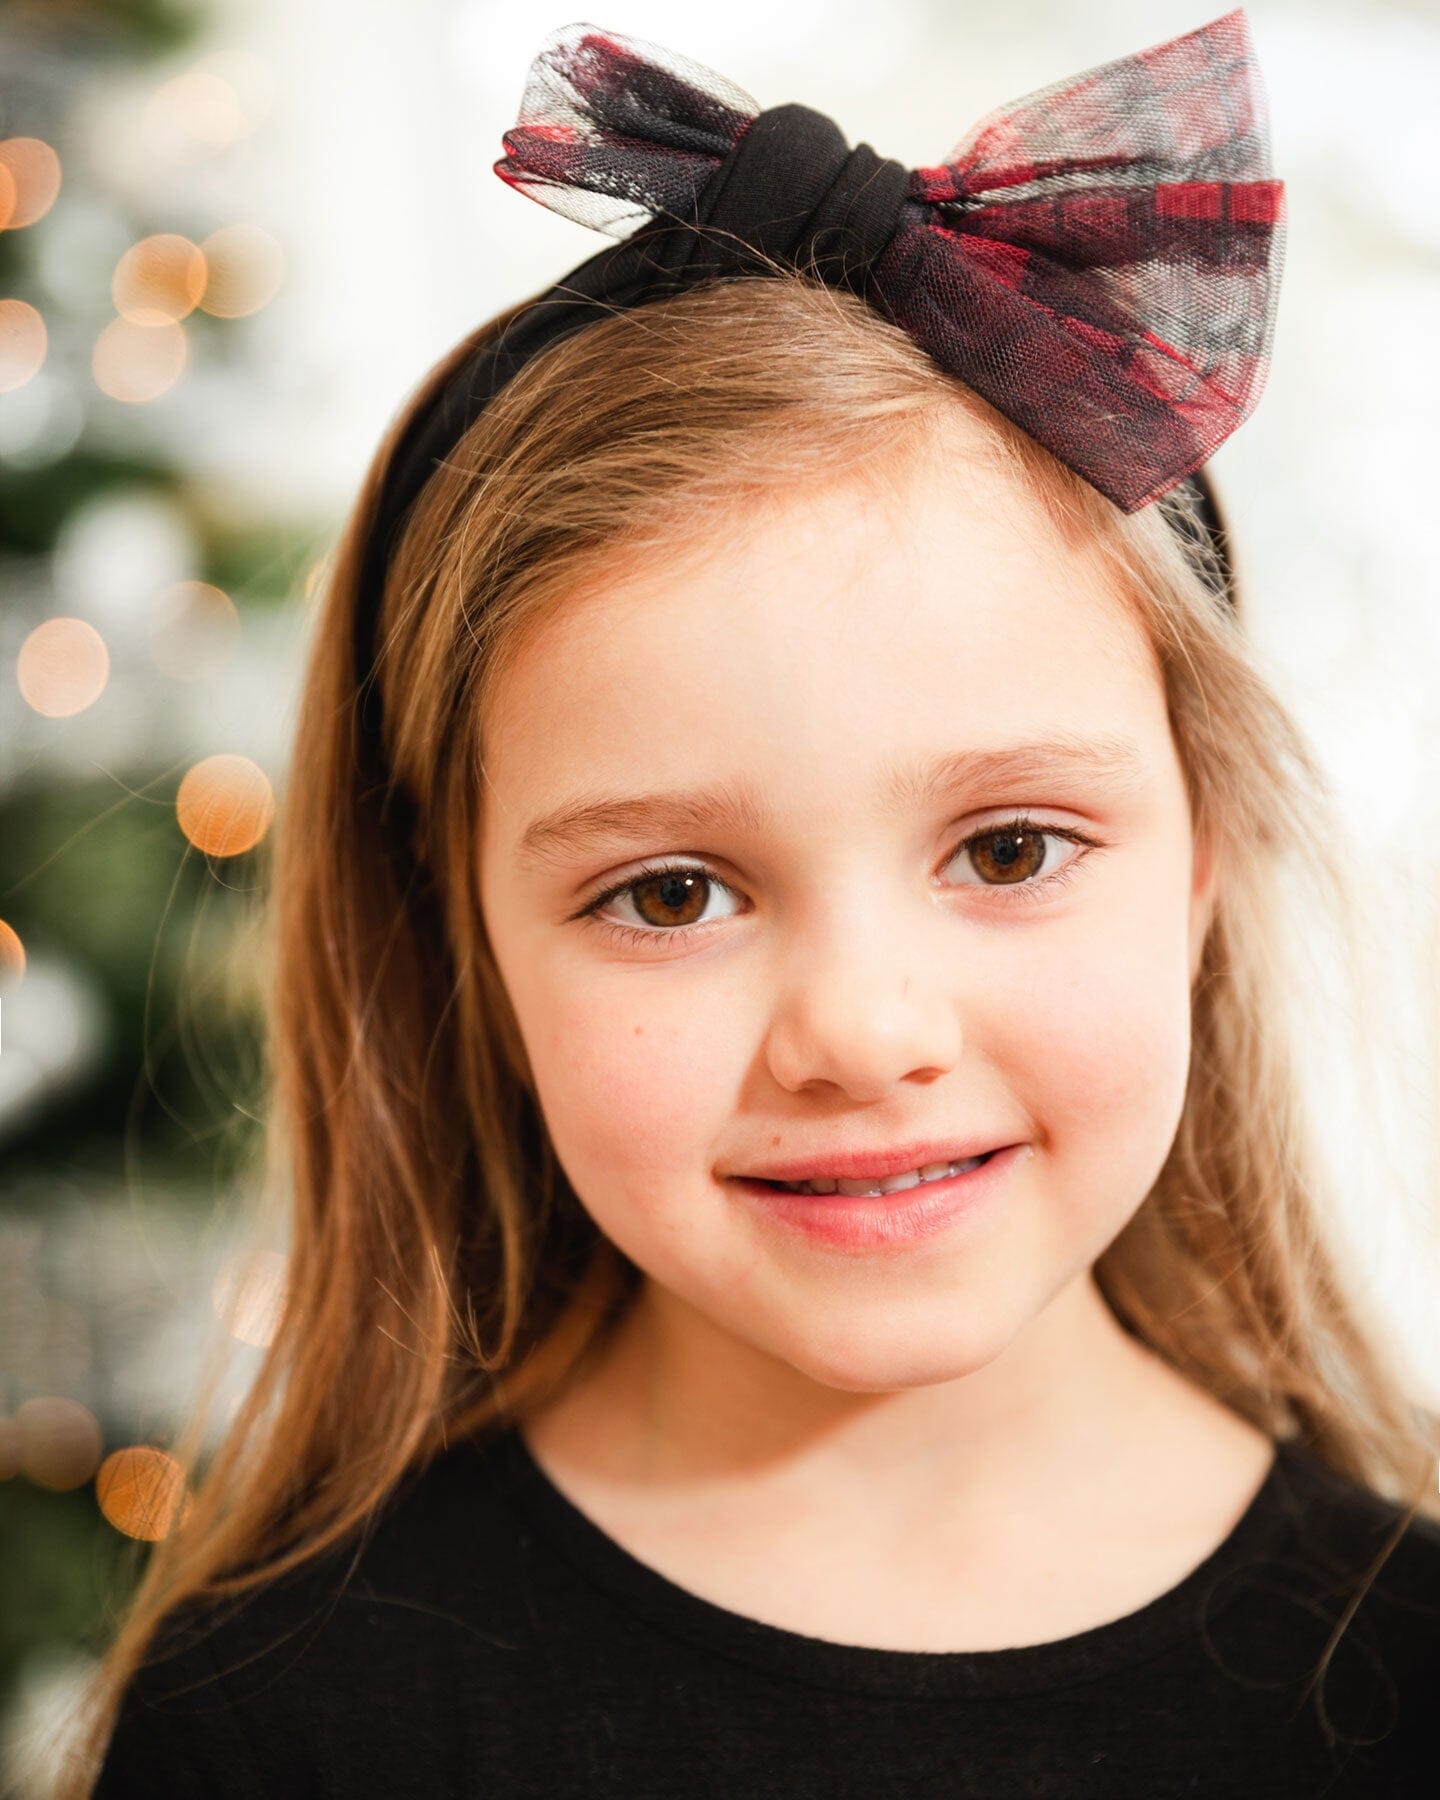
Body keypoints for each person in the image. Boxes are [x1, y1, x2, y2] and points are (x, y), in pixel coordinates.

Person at [72, 13, 1440, 1797]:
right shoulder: (283, 1716)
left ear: (1207, 864)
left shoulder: (1404, 1673)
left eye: (1010, 850)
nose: (864, 1034)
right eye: (670, 891)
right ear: (467, 938)